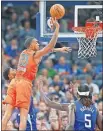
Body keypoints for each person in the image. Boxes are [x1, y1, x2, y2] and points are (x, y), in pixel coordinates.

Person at [2, 17, 72, 129]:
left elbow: (45, 51)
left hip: (15, 82)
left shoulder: (24, 53)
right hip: (24, 84)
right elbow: (49, 47)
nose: (38, 43)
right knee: (24, 116)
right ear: (30, 45)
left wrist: (59, 50)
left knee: (7, 113)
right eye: (36, 42)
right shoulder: (34, 54)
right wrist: (57, 29)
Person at [38, 77, 102, 131]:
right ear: (88, 94)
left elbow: (49, 103)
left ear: (78, 94)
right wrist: (73, 95)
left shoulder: (73, 106)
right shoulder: (95, 108)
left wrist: (40, 90)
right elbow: (101, 127)